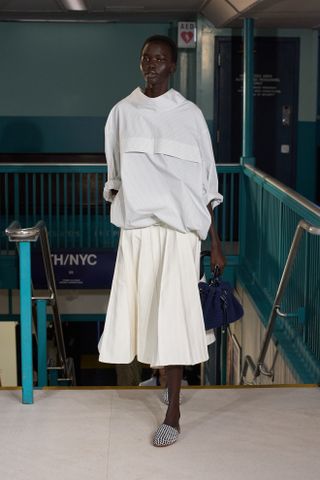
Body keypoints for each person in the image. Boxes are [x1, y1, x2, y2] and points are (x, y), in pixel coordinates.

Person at [98, 35, 226, 447]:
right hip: (139, 234)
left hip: (179, 234)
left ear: (173, 65)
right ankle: (160, 381)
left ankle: (173, 411)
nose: (152, 64)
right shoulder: (121, 113)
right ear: (140, 64)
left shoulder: (189, 116)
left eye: (160, 59)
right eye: (146, 59)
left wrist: (215, 242)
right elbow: (114, 179)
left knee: (172, 316)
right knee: (146, 313)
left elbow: (206, 184)